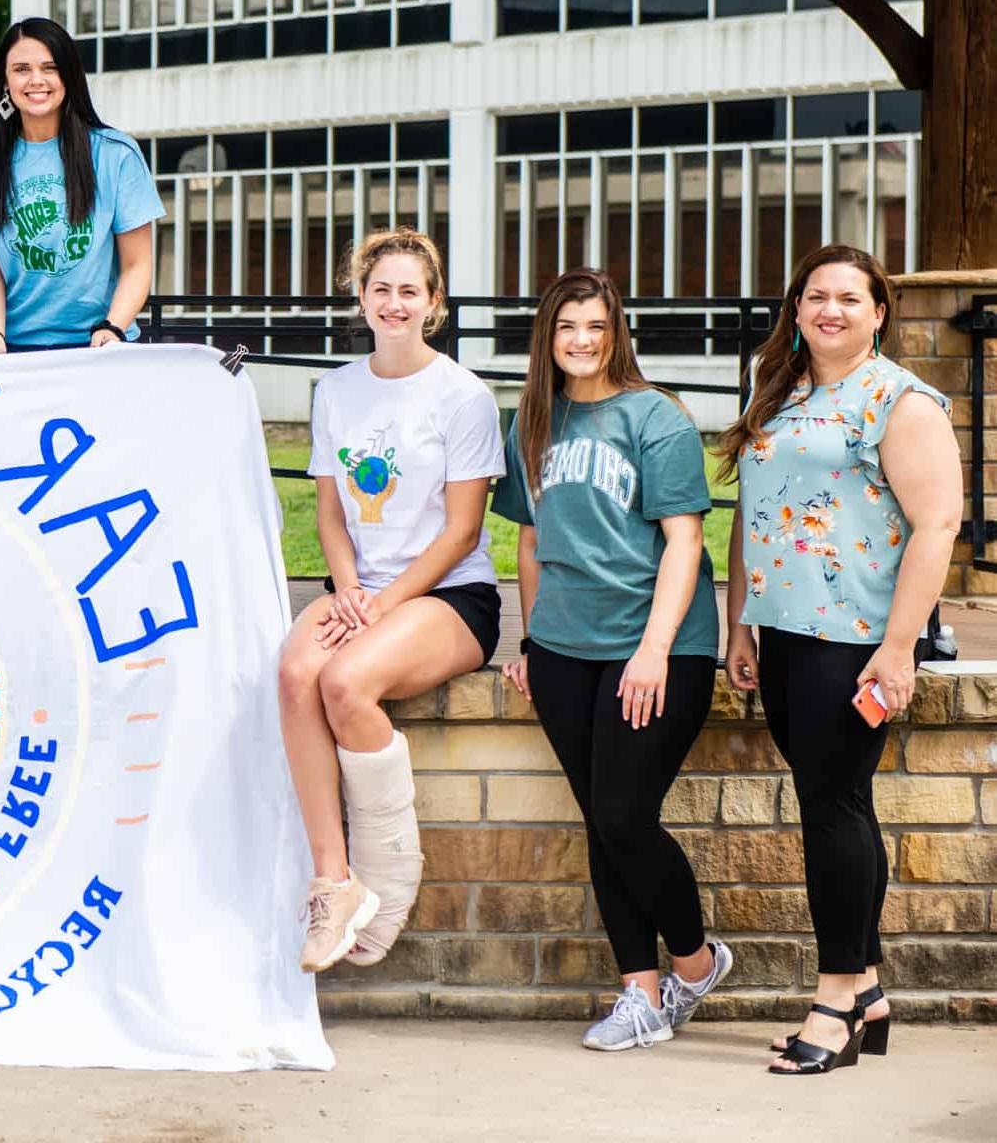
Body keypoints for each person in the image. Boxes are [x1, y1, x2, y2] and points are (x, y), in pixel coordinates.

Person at [719, 244, 959, 1075]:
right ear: (797, 307)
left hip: (853, 640)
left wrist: (898, 647)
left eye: (849, 299)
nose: (830, 310)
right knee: (841, 803)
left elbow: (937, 525)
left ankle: (835, 1004)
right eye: (815, 296)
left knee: (831, 812)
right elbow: (754, 510)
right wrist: (739, 622)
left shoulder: (901, 400)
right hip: (782, 631)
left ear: (879, 311)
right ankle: (873, 991)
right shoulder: (779, 390)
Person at [492, 269, 732, 1051]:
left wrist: (654, 650)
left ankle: (694, 963)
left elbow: (685, 541)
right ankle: (640, 992)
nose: (582, 340)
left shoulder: (654, 417)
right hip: (565, 648)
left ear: (616, 330)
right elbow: (529, 543)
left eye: (596, 325)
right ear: (547, 336)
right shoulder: (532, 420)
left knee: (626, 814)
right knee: (603, 819)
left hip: (656, 647)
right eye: (567, 327)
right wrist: (530, 641)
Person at [280, 228, 504, 973]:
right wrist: (349, 589)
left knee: (345, 681)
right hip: (362, 591)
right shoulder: (337, 389)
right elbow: (330, 515)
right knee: (292, 673)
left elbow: (462, 528)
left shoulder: (463, 395)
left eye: (411, 291)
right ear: (362, 298)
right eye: (382, 289)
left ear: (433, 303)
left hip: (449, 594)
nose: (395, 303)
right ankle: (334, 883)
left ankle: (392, 876)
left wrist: (379, 604)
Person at [0, 18, 160, 353]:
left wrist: (112, 327)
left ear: (69, 76)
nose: (36, 80)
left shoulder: (116, 154)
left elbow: (137, 264)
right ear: (5, 79)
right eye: (21, 69)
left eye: (50, 67)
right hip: (10, 350)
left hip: (99, 346)